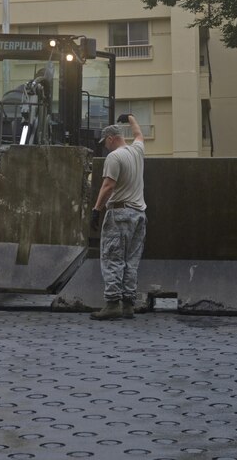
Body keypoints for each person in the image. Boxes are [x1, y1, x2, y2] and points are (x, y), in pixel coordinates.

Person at [89, 114, 147, 321]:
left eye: (105, 141)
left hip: (120, 214)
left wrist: (96, 209)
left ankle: (113, 303)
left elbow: (108, 186)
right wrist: (131, 118)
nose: (105, 146)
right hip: (139, 215)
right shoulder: (137, 151)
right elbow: (139, 134)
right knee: (131, 260)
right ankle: (128, 305)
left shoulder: (114, 157)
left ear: (111, 138)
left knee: (113, 258)